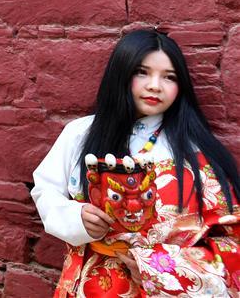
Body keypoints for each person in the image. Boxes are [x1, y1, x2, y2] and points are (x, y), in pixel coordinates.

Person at [32, 29, 240, 296]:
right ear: (121, 73)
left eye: (169, 77)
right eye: (142, 72)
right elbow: (45, 192)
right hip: (92, 286)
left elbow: (231, 239)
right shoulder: (81, 133)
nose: (155, 85)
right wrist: (76, 218)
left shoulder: (196, 150)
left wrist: (161, 267)